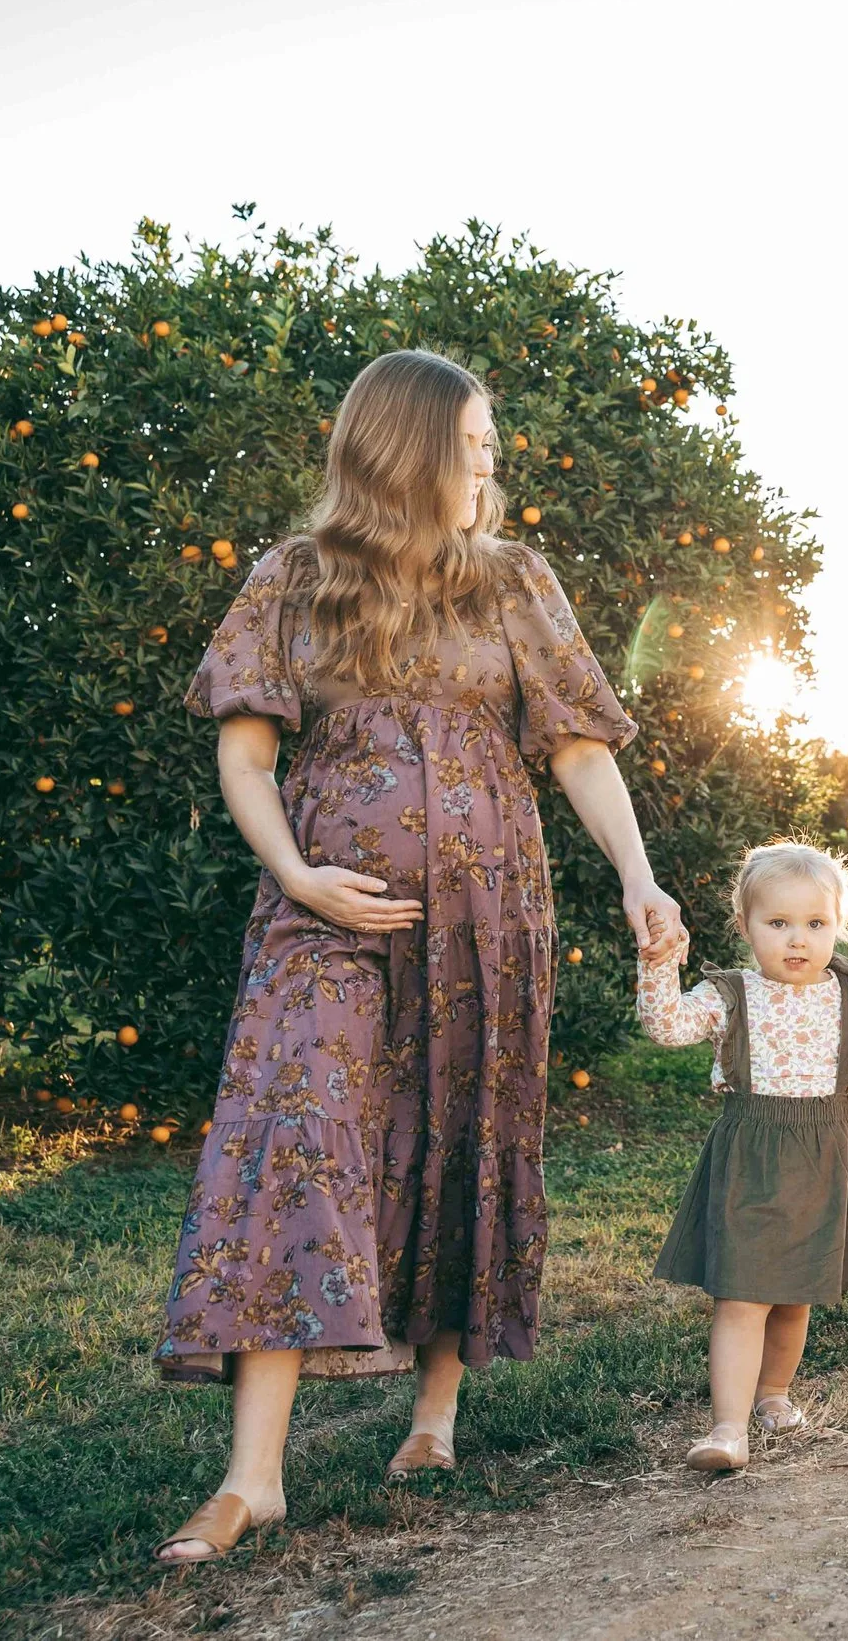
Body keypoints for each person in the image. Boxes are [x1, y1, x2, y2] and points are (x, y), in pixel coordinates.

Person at [155, 349, 686, 1561]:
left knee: (465, 1132)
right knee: (294, 1128)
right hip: (321, 911)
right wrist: (295, 873)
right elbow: (246, 754)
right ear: (407, 447)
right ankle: (254, 1476)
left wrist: (639, 874)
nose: (493, 464)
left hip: (487, 911)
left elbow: (577, 749)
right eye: (477, 442)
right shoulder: (293, 578)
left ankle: (435, 1410)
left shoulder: (513, 581)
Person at [640, 841, 848, 1471]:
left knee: (794, 1293)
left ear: (838, 927)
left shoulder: (847, 993)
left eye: (816, 925)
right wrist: (659, 964)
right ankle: (728, 1430)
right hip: (752, 1157)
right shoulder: (731, 994)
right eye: (779, 924)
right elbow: (666, 1025)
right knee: (742, 1296)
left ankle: (774, 1395)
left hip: (826, 1154)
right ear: (746, 928)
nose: (798, 941)